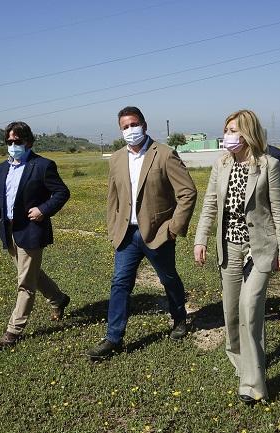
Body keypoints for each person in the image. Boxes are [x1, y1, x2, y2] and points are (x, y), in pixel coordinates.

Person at [193, 109, 280, 404]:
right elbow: (210, 204)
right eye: (226, 130)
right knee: (231, 312)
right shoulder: (221, 164)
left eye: (233, 130)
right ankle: (241, 363)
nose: (228, 136)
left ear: (247, 133)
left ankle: (253, 384)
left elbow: (278, 210)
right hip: (230, 249)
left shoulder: (268, 165)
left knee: (250, 309)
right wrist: (201, 239)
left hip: (260, 248)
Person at [86, 106, 197, 360]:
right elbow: (112, 198)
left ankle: (179, 318)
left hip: (158, 234)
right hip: (127, 235)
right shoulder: (116, 159)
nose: (130, 130)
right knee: (120, 283)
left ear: (144, 125)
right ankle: (113, 338)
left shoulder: (165, 154)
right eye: (125, 127)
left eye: (133, 125)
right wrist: (113, 227)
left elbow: (187, 192)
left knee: (168, 279)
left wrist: (173, 228)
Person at [0, 121, 71, 350]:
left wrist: (44, 209)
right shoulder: (2, 169)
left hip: (32, 230)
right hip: (9, 230)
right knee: (31, 274)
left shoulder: (42, 165)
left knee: (25, 283)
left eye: (17, 141)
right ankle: (59, 299)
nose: (13, 145)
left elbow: (61, 192)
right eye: (9, 142)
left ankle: (13, 331)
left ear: (28, 142)